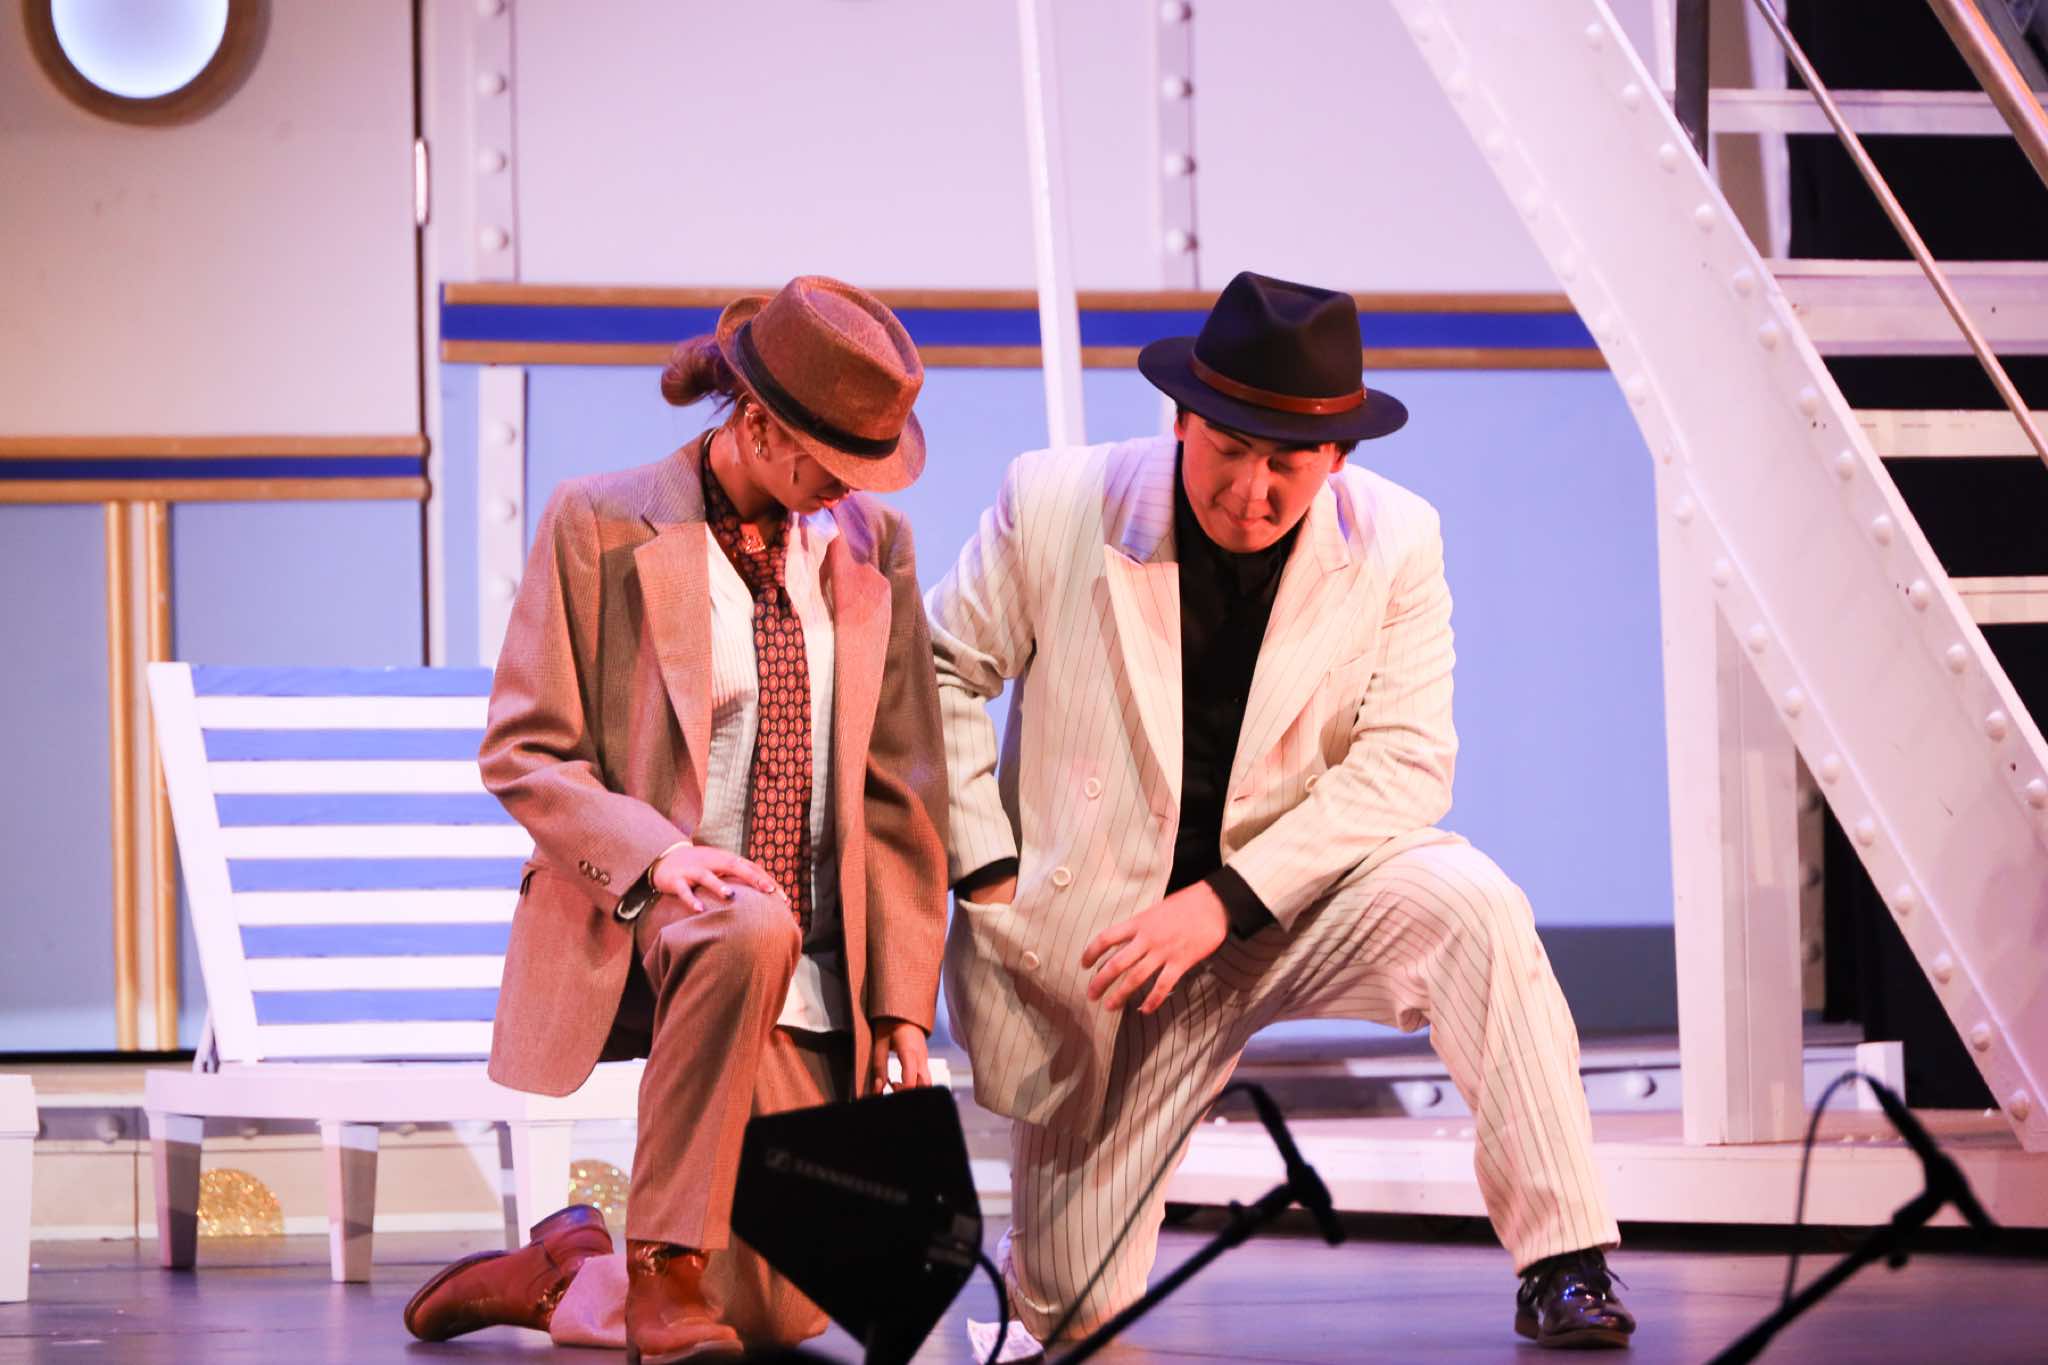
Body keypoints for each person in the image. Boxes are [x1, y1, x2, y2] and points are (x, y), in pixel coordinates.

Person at [929, 271, 1636, 1353]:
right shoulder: (1058, 501)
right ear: (1181, 422)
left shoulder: (1397, 537)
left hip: (1301, 902)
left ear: (1336, 456)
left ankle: (1563, 1259)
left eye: (1286, 463)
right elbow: (935, 669)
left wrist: (1222, 901)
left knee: (1471, 903)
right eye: (1228, 449)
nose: (1251, 490)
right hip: (1120, 949)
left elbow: (1407, 762)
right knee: (1068, 1313)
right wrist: (986, 870)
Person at [403, 276, 949, 1363]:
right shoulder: (600, 522)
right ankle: (661, 1266)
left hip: (809, 954)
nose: (845, 488)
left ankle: (564, 1269)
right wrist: (661, 859)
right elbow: (524, 747)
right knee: (742, 922)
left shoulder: (869, 542)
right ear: (758, 423)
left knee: (782, 1312)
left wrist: (901, 1003)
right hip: (650, 915)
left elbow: (898, 784)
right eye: (830, 461)